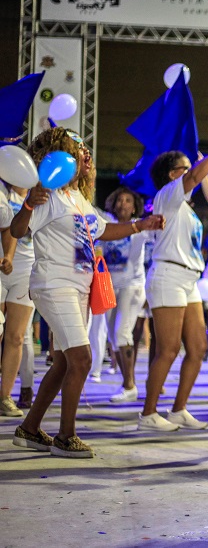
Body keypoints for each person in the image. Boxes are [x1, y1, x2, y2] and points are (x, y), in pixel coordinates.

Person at [10, 127, 163, 457]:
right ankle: (66, 437)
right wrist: (27, 205)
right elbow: (18, 230)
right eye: (78, 148)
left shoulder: (76, 197)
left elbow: (104, 230)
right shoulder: (48, 193)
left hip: (79, 287)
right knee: (82, 358)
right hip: (55, 284)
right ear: (60, 153)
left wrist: (141, 225)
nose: (85, 154)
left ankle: (29, 429)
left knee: (65, 362)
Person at [139, 147, 208, 431]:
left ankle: (178, 409)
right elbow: (198, 175)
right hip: (168, 274)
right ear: (172, 175)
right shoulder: (168, 195)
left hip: (189, 279)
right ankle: (148, 413)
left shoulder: (184, 206)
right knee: (169, 348)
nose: (192, 172)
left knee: (198, 347)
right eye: (185, 168)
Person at [99, 186, 151, 403]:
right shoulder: (105, 227)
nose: (123, 204)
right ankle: (126, 383)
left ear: (134, 206)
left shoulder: (141, 229)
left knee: (122, 334)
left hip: (133, 286)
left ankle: (130, 386)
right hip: (110, 287)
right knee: (113, 338)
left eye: (128, 200)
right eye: (119, 200)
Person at [1, 183, 34, 416]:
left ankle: (5, 397)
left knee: (16, 337)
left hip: (26, 271)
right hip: (0, 266)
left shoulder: (41, 195)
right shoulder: (2, 192)